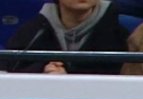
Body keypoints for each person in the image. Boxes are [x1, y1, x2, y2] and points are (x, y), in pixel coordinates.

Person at [1, 0, 129, 74]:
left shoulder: (120, 35)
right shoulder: (33, 31)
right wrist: (42, 70)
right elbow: (10, 71)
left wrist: (69, 77)